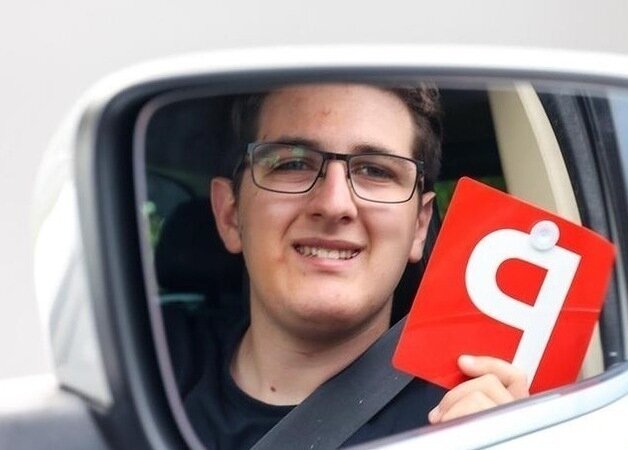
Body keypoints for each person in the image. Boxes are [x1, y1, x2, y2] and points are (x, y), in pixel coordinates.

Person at [173, 83, 529, 449]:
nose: (334, 204)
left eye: (375, 170)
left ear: (419, 227)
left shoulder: (468, 421)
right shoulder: (152, 363)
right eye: (293, 163)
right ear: (230, 215)